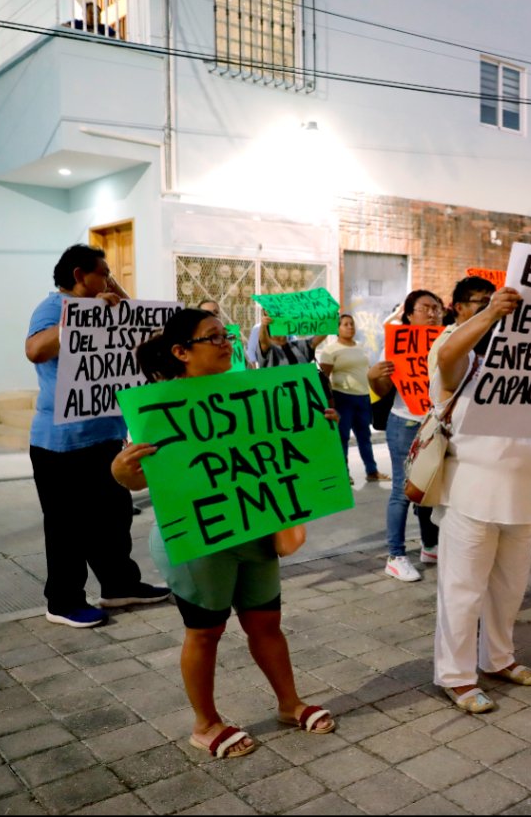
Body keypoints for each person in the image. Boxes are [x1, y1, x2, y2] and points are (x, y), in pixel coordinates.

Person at [110, 308, 336, 758]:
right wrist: (120, 470)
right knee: (205, 632)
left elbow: (290, 454)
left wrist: (318, 428)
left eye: (226, 335)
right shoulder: (159, 406)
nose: (226, 343)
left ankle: (289, 704)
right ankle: (205, 722)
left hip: (253, 529)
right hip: (198, 540)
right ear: (181, 353)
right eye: (212, 337)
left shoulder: (253, 392)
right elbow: (137, 478)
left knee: (266, 623)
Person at [430, 286, 531, 713]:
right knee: (463, 589)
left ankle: (497, 658)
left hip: (524, 495)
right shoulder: (461, 355)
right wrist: (490, 314)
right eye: (487, 307)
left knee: (509, 589)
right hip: (471, 494)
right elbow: (446, 358)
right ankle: (455, 677)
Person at [25, 244, 169, 628]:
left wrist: (115, 296)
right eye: (102, 273)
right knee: (65, 526)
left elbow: (142, 330)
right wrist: (83, 320)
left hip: (104, 438)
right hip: (61, 443)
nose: (108, 280)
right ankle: (63, 601)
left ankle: (120, 585)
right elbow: (36, 350)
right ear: (78, 276)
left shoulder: (107, 308)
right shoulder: (53, 308)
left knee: (112, 518)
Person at [367, 290, 445, 582]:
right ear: (409, 314)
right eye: (426, 308)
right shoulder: (396, 345)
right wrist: (374, 376)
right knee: (403, 490)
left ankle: (429, 545)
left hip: (435, 424)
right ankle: (396, 555)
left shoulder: (447, 342)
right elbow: (384, 389)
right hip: (406, 423)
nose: (433, 313)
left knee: (429, 488)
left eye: (437, 308)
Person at [319, 314, 388, 483]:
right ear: (337, 329)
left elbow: (368, 369)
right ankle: (344, 473)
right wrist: (329, 401)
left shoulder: (361, 347)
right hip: (342, 397)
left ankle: (372, 471)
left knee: (364, 437)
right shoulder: (330, 350)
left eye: (352, 324)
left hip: (363, 397)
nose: (350, 327)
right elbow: (324, 378)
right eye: (345, 324)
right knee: (342, 437)